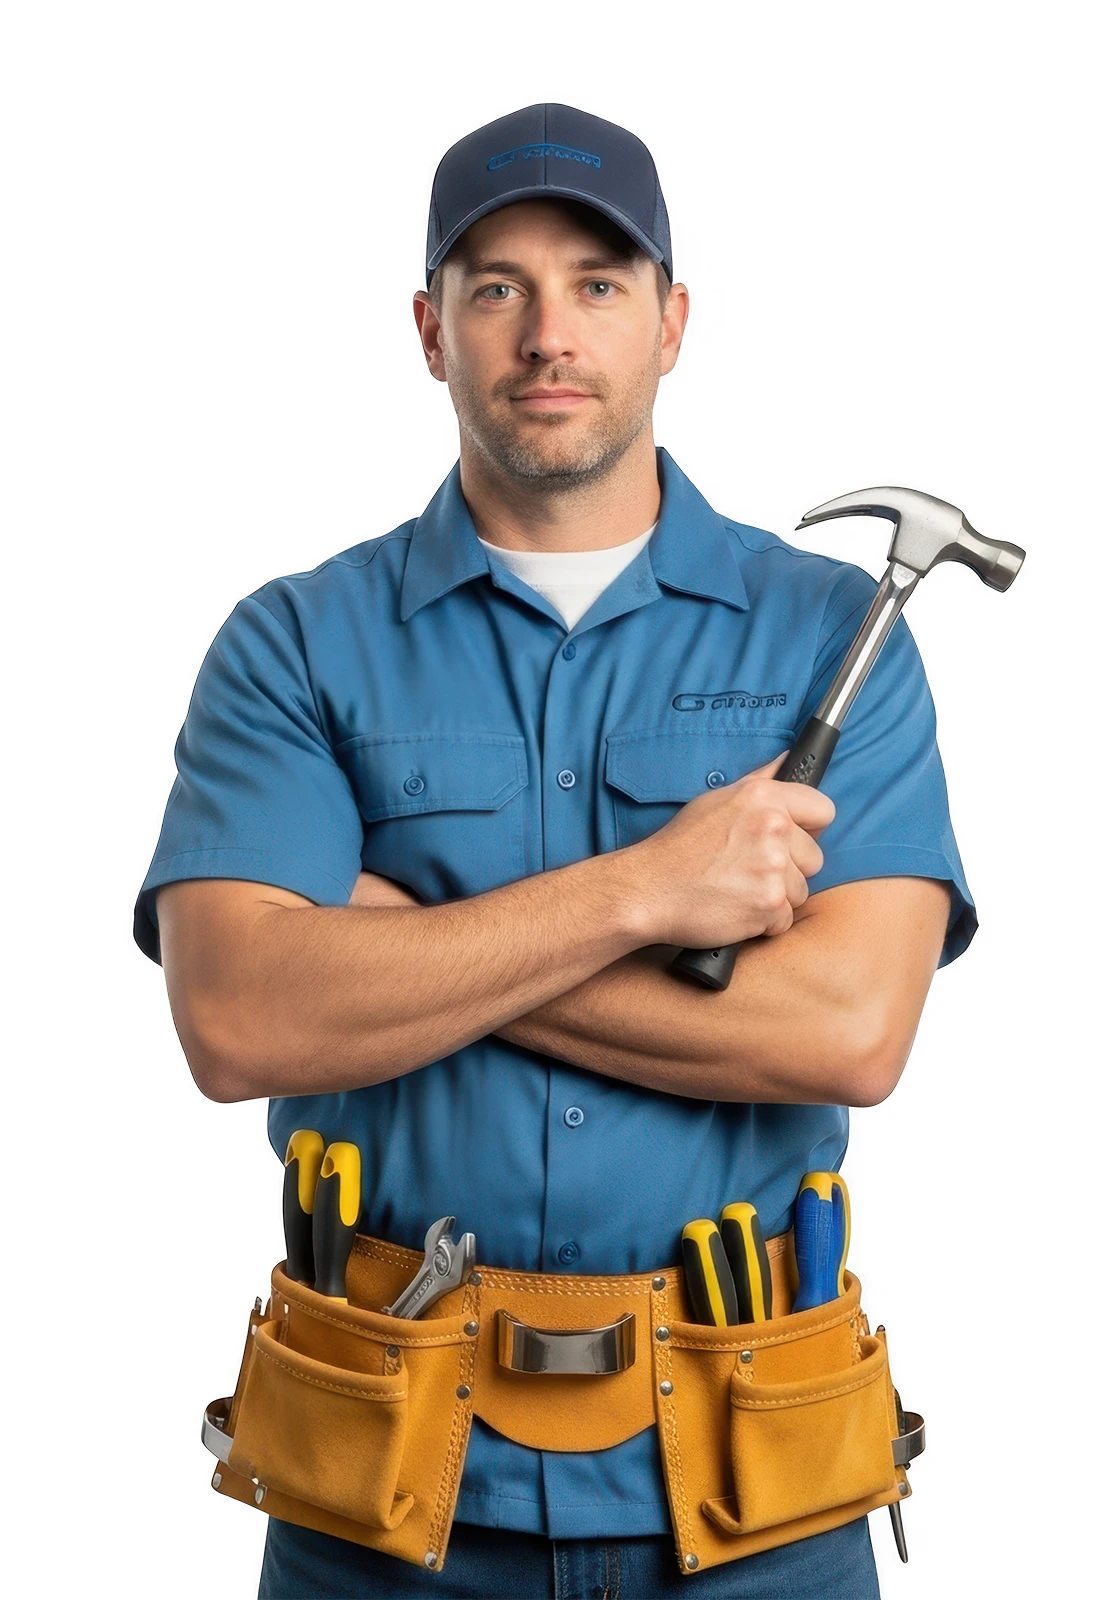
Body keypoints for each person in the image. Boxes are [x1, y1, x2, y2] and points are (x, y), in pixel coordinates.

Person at [134, 104, 975, 1599]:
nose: (545, 332)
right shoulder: (293, 647)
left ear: (673, 321)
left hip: (748, 1487)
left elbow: (846, 1033)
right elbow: (240, 1019)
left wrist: (402, 941)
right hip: (383, 1492)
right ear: (428, 328)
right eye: (493, 286)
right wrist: (641, 892)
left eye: (596, 281)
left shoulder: (832, 639)